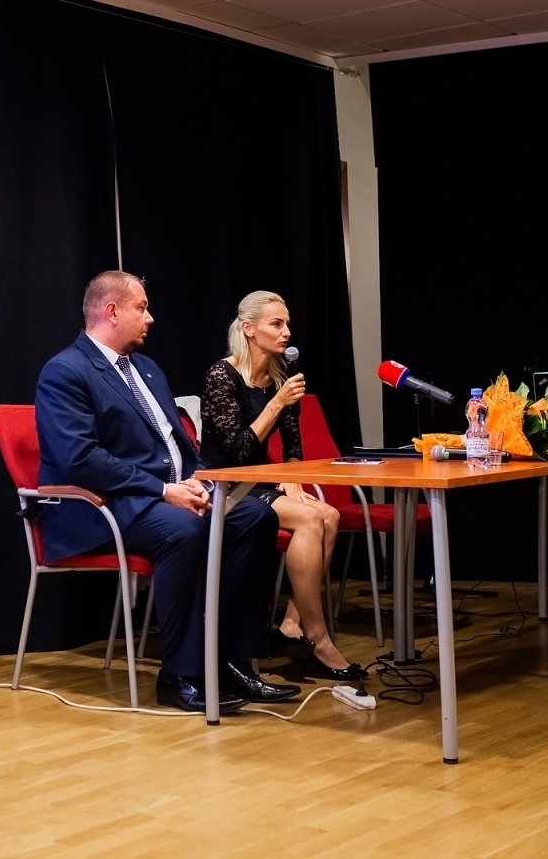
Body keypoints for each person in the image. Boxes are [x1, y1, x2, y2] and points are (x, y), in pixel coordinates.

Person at [35, 270, 300, 713]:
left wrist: (199, 478)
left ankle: (231, 660)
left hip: (167, 496)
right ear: (111, 311)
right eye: (141, 308)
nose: (150, 318)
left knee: (256, 516)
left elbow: (178, 445)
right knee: (183, 530)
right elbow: (79, 458)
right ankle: (180, 675)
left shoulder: (147, 369)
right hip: (107, 506)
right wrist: (163, 489)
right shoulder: (66, 371)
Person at [201, 291, 366, 682]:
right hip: (225, 486)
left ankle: (292, 624)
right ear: (249, 328)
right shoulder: (221, 376)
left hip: (262, 481)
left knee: (329, 514)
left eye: (287, 323)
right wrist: (276, 403)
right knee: (310, 519)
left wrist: (291, 475)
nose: (286, 332)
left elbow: (294, 447)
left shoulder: (279, 378)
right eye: (276, 324)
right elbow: (238, 451)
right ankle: (318, 639)